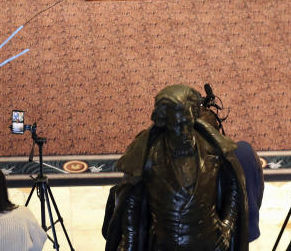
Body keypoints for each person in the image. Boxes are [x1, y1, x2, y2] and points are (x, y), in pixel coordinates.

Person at [103, 84, 249, 250]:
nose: (185, 131)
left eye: (188, 123)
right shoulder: (149, 155)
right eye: (178, 125)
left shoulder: (213, 148)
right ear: (164, 123)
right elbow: (132, 206)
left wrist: (227, 226)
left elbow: (234, 186)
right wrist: (129, 245)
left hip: (210, 244)